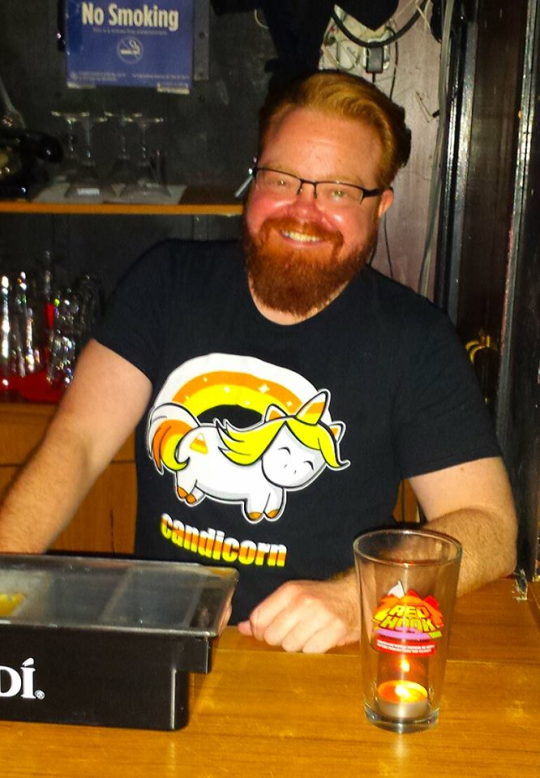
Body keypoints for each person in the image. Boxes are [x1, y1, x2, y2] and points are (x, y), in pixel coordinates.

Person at [0, 71, 517, 654]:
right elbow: (77, 444)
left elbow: (490, 525)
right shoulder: (166, 283)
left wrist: (360, 598)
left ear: (380, 207)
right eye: (282, 179)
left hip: (317, 658)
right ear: (254, 179)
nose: (303, 210)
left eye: (339, 190)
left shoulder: (414, 340)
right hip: (163, 644)